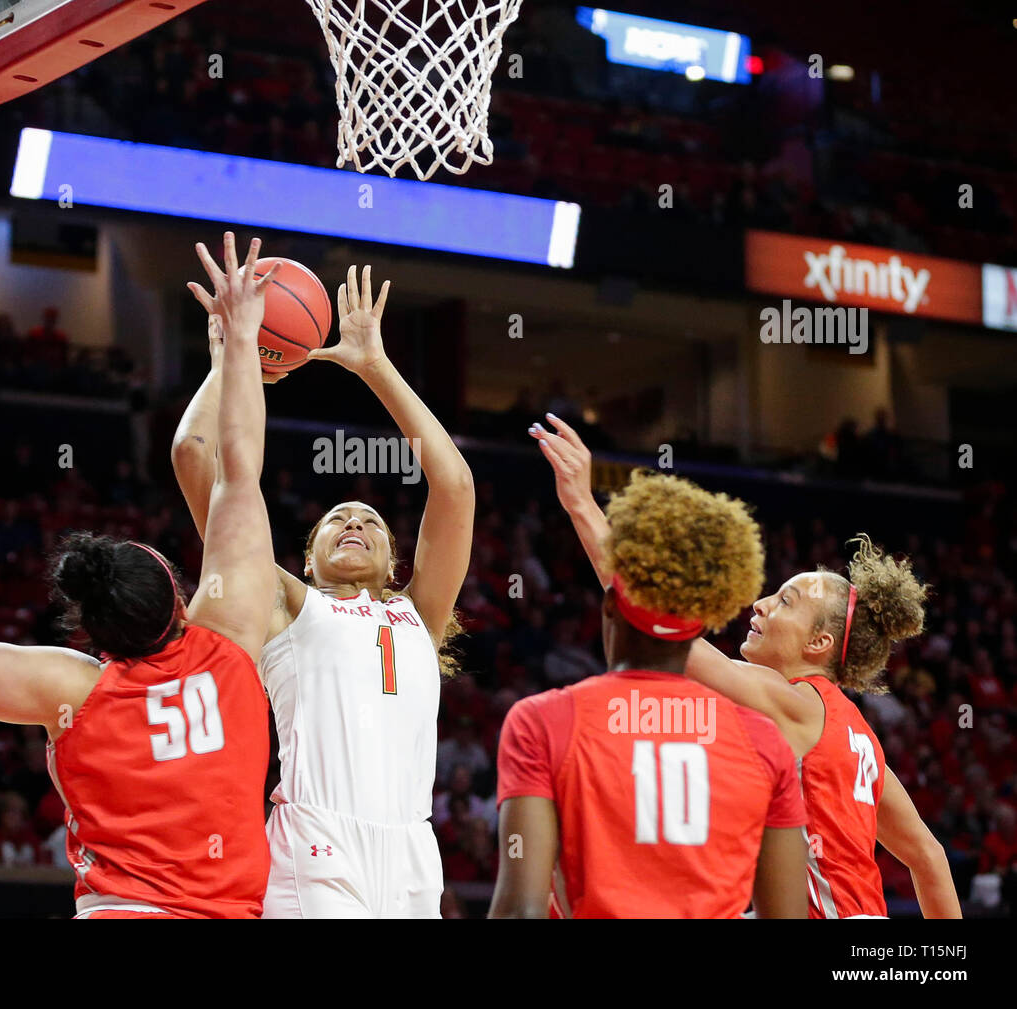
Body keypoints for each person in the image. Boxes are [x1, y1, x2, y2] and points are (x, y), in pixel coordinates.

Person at [0, 232, 280, 918]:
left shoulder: (74, 687)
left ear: (91, 630)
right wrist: (237, 341)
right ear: (182, 601)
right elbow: (239, 467)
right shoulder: (230, 640)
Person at [531, 413, 962, 919]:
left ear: (819, 642)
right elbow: (929, 858)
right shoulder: (858, 739)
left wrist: (582, 504)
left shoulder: (797, 703)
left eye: (786, 601)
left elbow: (665, 635)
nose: (759, 604)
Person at [173, 263, 475, 918]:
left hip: (413, 851)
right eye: (337, 517)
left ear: (394, 560)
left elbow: (454, 485)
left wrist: (374, 365)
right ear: (306, 560)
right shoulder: (284, 602)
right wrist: (230, 356)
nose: (355, 521)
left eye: (369, 519)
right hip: (316, 838)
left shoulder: (416, 614)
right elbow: (195, 455)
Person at [489, 470, 808, 918]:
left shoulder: (542, 720)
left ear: (609, 606)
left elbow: (520, 912)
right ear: (705, 621)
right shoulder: (763, 741)